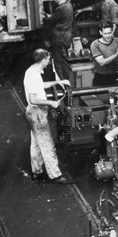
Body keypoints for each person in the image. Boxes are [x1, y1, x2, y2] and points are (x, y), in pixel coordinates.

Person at [23, 49, 73, 184]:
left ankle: (37, 172)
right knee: (47, 144)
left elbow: (39, 87)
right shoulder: (34, 75)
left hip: (33, 112)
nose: (49, 62)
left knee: (36, 144)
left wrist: (57, 82)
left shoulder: (32, 71)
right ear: (44, 59)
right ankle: (56, 175)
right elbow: (33, 99)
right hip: (37, 113)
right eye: (48, 59)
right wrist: (51, 102)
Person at [42, 0, 74, 83]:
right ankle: (66, 82)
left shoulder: (60, 8)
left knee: (59, 63)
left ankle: (64, 83)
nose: (52, 0)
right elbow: (58, 18)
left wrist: (45, 17)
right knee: (64, 60)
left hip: (59, 38)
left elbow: (51, 21)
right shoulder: (69, 5)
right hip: (66, 37)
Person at [90, 22, 118, 87]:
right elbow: (101, 62)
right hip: (101, 78)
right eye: (105, 34)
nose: (108, 36)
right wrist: (116, 54)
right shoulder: (95, 44)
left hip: (116, 76)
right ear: (100, 32)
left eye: (110, 33)